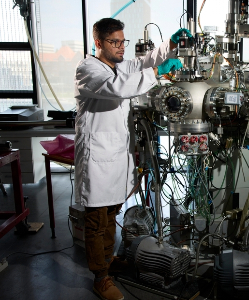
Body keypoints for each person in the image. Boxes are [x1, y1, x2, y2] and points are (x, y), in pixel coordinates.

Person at [74, 18, 190, 300]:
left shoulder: (119, 64)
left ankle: (108, 260)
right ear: (98, 43)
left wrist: (171, 45)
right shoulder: (88, 69)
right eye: (114, 42)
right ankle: (100, 277)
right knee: (96, 220)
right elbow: (117, 87)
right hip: (96, 158)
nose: (121, 47)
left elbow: (146, 61)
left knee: (112, 212)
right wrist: (157, 72)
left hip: (115, 156)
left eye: (123, 41)